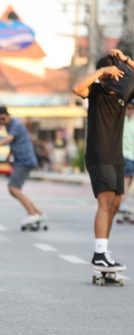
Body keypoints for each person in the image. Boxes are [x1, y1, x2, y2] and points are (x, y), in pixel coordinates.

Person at [72, 48, 134, 270]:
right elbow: (77, 88)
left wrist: (126, 59)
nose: (118, 76)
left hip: (116, 156)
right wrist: (101, 72)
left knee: (115, 204)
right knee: (105, 203)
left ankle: (103, 251)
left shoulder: (124, 94)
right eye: (114, 72)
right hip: (99, 154)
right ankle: (99, 254)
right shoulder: (96, 91)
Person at [0, 106, 45, 227]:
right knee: (14, 190)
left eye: (2, 118)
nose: (1, 122)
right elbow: (14, 142)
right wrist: (9, 155)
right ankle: (38, 213)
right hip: (21, 160)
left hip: (25, 160)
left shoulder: (16, 125)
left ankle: (32, 214)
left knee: (13, 188)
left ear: (8, 116)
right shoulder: (9, 126)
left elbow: (9, 139)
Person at [119, 99, 134, 216]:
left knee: (129, 182)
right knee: (126, 179)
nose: (130, 111)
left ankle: (123, 202)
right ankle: (122, 204)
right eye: (128, 108)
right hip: (124, 155)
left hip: (133, 156)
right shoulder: (122, 121)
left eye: (132, 108)